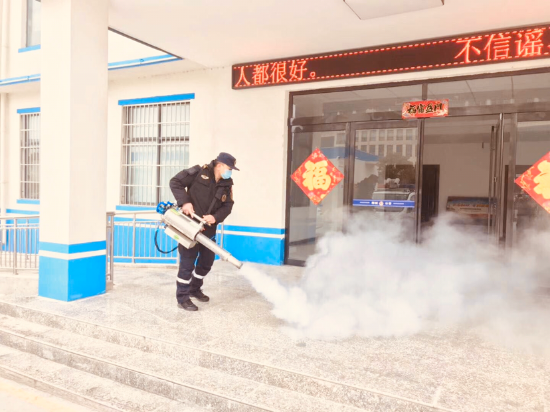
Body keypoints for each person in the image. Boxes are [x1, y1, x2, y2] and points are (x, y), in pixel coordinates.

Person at [169, 152, 238, 311]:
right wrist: (185, 202)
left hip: (208, 230)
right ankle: (183, 297)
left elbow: (228, 206)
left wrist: (215, 217)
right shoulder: (198, 172)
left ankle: (194, 289)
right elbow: (175, 182)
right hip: (190, 226)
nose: (230, 172)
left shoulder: (227, 184)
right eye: (229, 168)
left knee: (207, 261)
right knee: (187, 263)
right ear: (219, 165)